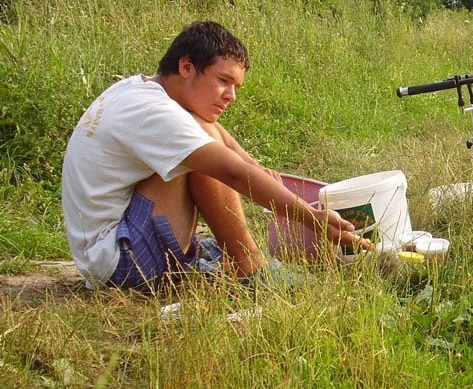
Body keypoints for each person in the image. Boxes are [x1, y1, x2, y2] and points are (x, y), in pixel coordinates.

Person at [62, 20, 369, 291]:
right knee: (206, 153)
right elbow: (231, 172)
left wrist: (255, 166)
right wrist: (311, 217)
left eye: (236, 86)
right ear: (186, 67)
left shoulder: (139, 90)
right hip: (122, 264)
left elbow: (213, 135)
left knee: (202, 130)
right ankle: (249, 267)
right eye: (223, 81)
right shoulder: (154, 114)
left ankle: (220, 258)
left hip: (108, 250)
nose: (231, 96)